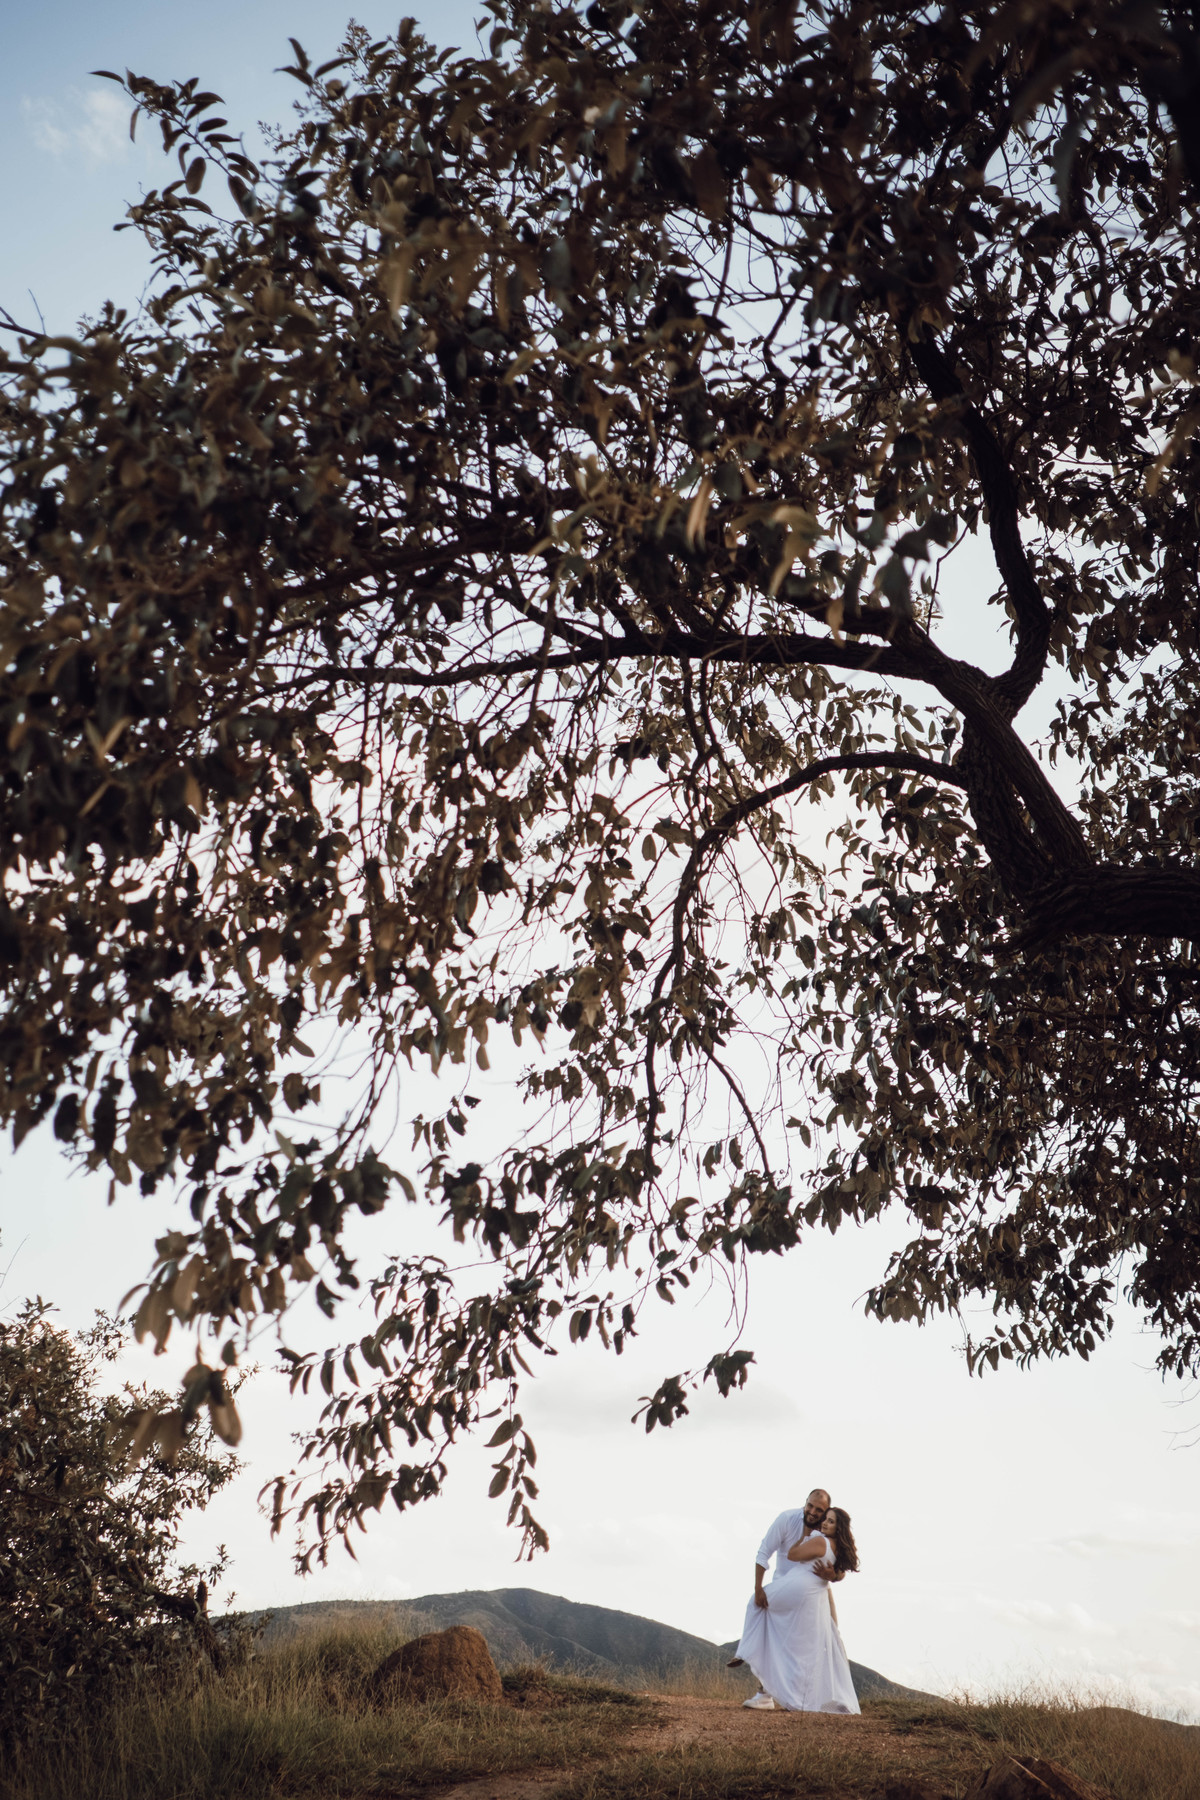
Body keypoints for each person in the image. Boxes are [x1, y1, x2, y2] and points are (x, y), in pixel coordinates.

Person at [730, 1493, 861, 1714]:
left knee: (817, 1640)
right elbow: (763, 1553)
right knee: (805, 1641)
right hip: (790, 1585)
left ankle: (749, 1656)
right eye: (809, 1506)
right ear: (805, 1503)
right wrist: (758, 1587)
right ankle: (768, 1691)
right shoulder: (787, 1520)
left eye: (822, 1513)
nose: (813, 1512)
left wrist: (833, 1574)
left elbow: (825, 1565)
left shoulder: (821, 1536)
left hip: (810, 1590)